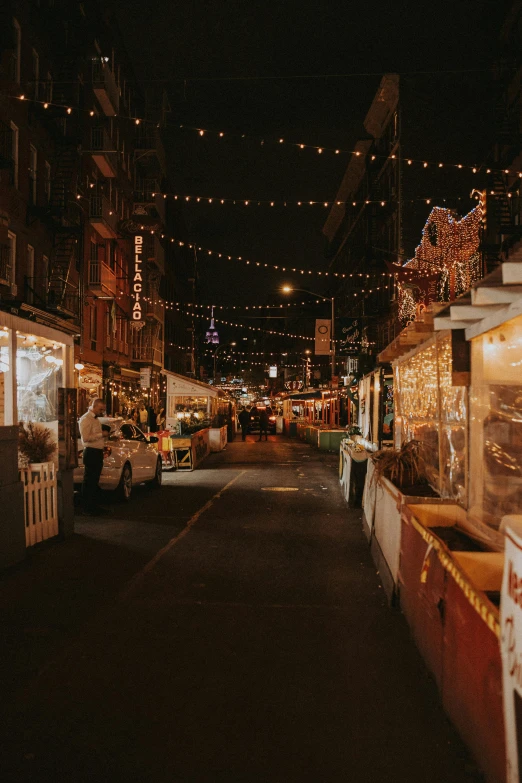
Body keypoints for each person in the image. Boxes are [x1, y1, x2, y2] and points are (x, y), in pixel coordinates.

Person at [79, 398, 110, 515]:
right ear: (94, 406)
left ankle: (93, 506)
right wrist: (101, 434)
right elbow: (86, 437)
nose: (102, 411)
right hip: (91, 451)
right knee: (89, 480)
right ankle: (87, 507)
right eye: (100, 409)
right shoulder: (86, 419)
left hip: (97, 452)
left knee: (94, 480)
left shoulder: (96, 419)